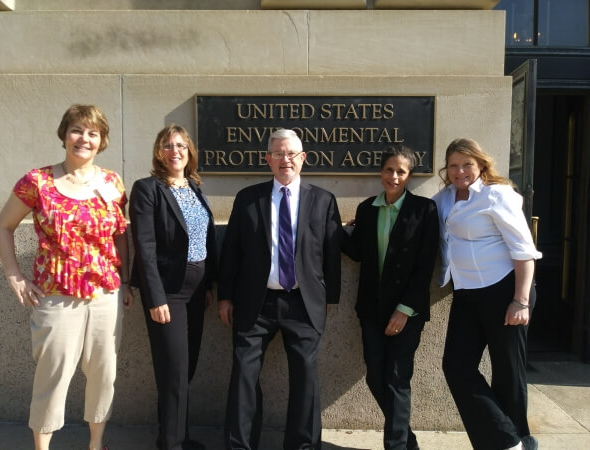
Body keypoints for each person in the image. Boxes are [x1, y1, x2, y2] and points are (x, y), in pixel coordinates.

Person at [0, 104, 133, 450]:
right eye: (77, 130)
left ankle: (96, 444)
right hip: (56, 297)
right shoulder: (37, 181)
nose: (84, 138)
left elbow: (120, 235)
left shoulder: (113, 183)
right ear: (64, 135)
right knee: (52, 377)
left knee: (104, 376)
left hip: (105, 295)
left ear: (101, 141)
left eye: (92, 133)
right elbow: (3, 226)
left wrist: (126, 281)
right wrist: (15, 275)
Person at [218, 128, 342, 450]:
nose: (285, 160)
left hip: (303, 304)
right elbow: (232, 250)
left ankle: (302, 446)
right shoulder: (248, 198)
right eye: (278, 154)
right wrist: (225, 296)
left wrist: (331, 297)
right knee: (244, 376)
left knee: (306, 379)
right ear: (268, 159)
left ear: (302, 159)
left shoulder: (323, 200)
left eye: (291, 154)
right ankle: (240, 445)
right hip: (255, 304)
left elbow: (331, 252)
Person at [432, 138, 542, 450]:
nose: (460, 171)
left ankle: (516, 440)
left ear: (481, 164)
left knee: (508, 373)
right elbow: (418, 214)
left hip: (504, 290)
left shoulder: (497, 194)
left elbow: (524, 251)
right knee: (456, 366)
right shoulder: (445, 198)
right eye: (453, 165)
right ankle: (506, 440)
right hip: (466, 294)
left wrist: (520, 300)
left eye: (467, 164)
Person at [342, 145, 439, 450]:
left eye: (401, 171)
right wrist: (333, 228)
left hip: (406, 312)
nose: (393, 176)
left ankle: (396, 446)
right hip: (371, 308)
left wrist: (405, 309)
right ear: (380, 171)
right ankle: (407, 440)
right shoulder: (367, 208)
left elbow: (426, 265)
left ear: (409, 175)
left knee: (397, 380)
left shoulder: (424, 210)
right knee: (375, 376)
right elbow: (357, 252)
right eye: (388, 170)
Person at [129, 124, 218, 450]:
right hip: (168, 293)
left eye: (181, 145)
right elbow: (145, 248)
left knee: (185, 369)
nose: (175, 150)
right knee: (174, 371)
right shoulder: (148, 189)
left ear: (189, 151)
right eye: (167, 145)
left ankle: (174, 437)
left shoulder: (194, 188)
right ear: (158, 152)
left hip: (197, 292)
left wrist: (209, 285)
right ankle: (172, 444)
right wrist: (155, 297)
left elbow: (203, 240)